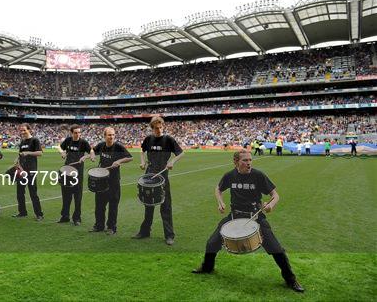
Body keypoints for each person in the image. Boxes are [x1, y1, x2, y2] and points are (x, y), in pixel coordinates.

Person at [191, 150, 304, 293]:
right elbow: (218, 189)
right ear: (236, 162)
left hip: (255, 217)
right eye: (245, 160)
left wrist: (270, 205)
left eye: (250, 160)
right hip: (235, 216)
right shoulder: (230, 176)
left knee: (276, 249)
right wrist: (220, 203)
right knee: (212, 242)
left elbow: (275, 195)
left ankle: (291, 280)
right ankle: (207, 267)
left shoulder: (258, 175)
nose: (249, 163)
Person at [133, 116, 184, 245]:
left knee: (165, 206)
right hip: (149, 175)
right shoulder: (148, 139)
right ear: (152, 128)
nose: (159, 130)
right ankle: (145, 232)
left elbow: (181, 153)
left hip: (163, 176)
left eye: (161, 127)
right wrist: (143, 162)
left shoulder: (168, 140)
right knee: (148, 204)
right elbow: (142, 150)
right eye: (156, 128)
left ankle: (169, 235)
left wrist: (172, 161)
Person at [89, 127, 133, 235]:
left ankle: (111, 227)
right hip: (101, 180)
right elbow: (92, 150)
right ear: (104, 136)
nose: (111, 137)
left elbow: (130, 157)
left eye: (113, 135)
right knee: (99, 205)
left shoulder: (118, 146)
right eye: (109, 135)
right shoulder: (101, 145)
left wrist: (119, 161)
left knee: (113, 206)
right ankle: (99, 226)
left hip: (113, 181)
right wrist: (93, 155)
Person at [57, 124, 94, 226]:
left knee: (77, 197)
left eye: (79, 132)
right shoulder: (68, 140)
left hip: (78, 173)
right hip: (66, 171)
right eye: (75, 133)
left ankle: (77, 218)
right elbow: (59, 147)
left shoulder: (83, 142)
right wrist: (62, 152)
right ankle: (65, 216)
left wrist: (86, 157)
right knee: (66, 196)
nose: (77, 134)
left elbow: (91, 151)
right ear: (71, 133)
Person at [12, 123, 44, 220]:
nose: (22, 132)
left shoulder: (34, 140)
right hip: (21, 170)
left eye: (24, 130)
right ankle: (22, 212)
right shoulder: (22, 142)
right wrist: (17, 160)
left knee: (33, 193)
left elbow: (40, 153)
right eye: (21, 130)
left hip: (31, 170)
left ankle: (39, 214)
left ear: (29, 130)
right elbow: (21, 154)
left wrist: (28, 153)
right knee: (20, 193)